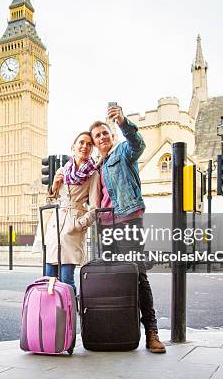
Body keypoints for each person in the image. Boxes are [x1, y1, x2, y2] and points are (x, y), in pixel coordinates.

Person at [89, 104, 166, 353]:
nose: (102, 137)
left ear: (111, 136)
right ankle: (117, 327)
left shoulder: (122, 151)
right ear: (93, 142)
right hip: (105, 226)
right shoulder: (95, 167)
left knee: (138, 275)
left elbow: (138, 144)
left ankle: (151, 332)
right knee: (111, 279)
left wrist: (122, 121)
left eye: (105, 133)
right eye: (97, 135)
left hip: (128, 220)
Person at [33, 131, 100, 293]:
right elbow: (52, 200)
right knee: (48, 278)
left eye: (89, 144)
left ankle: (70, 314)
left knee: (67, 279)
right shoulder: (62, 171)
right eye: (81, 143)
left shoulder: (93, 174)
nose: (84, 146)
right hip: (54, 228)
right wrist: (54, 187)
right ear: (73, 146)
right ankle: (52, 315)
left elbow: (95, 208)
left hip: (72, 230)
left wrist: (78, 225)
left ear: (92, 149)